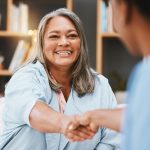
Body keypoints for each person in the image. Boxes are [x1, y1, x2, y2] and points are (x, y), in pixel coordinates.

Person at [0, 8, 120, 150]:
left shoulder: (100, 85)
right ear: (42, 44)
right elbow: (32, 110)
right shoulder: (25, 77)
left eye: (72, 36)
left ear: (80, 43)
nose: (64, 42)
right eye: (54, 36)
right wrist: (66, 124)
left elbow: (112, 141)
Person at [69, 0, 150, 149]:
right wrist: (94, 116)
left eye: (112, 8)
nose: (113, 27)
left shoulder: (144, 76)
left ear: (124, 9)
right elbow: (139, 118)